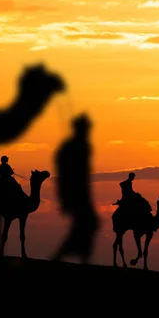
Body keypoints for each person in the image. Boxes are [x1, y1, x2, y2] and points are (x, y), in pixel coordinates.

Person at [51, 113, 100, 264]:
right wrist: (65, 198)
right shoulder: (72, 148)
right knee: (89, 224)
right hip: (74, 194)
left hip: (79, 194)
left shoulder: (80, 147)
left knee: (87, 225)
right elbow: (66, 174)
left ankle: (75, 257)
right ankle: (66, 256)